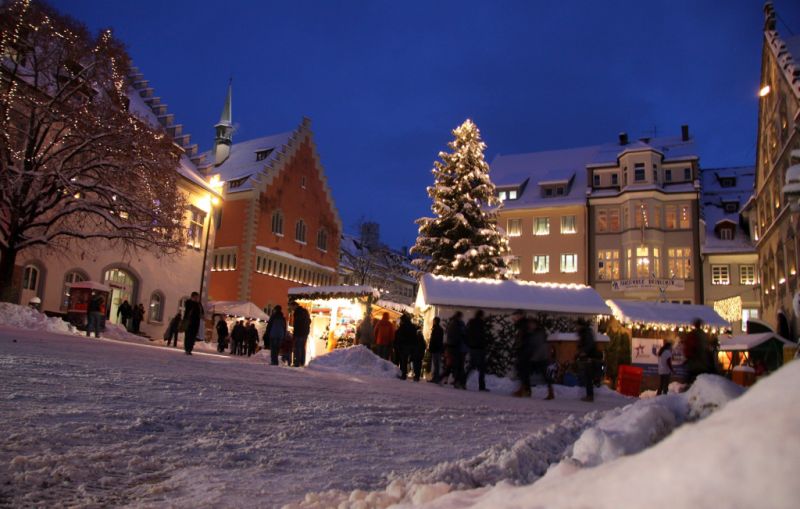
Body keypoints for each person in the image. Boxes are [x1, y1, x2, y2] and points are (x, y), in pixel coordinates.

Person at [464, 309, 488, 391]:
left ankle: (462, 381)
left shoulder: (471, 323)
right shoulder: (480, 324)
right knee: (480, 367)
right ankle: (481, 386)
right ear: (481, 315)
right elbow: (481, 336)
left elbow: (467, 334)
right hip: (479, 348)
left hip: (473, 347)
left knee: (472, 366)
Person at [511, 310, 534, 397]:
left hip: (524, 351)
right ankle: (526, 390)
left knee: (522, 370)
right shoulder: (523, 325)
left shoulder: (523, 325)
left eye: (516, 316)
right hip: (524, 350)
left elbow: (522, 338)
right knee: (522, 370)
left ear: (520, 316)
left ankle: (524, 390)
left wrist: (519, 347)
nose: (515, 318)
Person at [576, 319, 599, 402]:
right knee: (587, 376)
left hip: (589, 357)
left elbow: (589, 344)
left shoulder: (586, 333)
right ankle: (589, 395)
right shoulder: (583, 333)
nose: (576, 327)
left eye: (578, 326)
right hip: (587, 356)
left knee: (588, 376)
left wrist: (584, 352)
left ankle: (590, 396)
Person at [529, 318, 553, 400]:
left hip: (541, 358)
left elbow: (540, 346)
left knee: (545, 375)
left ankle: (551, 392)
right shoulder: (536, 333)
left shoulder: (539, 333)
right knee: (527, 373)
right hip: (539, 357)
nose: (531, 326)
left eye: (532, 324)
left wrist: (534, 357)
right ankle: (526, 390)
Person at [443, 311, 467, 389]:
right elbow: (461, 336)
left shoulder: (452, 324)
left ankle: (446, 378)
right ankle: (458, 382)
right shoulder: (458, 324)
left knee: (450, 364)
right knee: (457, 366)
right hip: (456, 348)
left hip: (452, 347)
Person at [682, 318, 709, 384]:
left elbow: (688, 346)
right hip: (703, 361)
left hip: (694, 361)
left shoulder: (692, 334)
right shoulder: (704, 334)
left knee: (692, 376)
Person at [394, 314, 418, 380]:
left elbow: (400, 337)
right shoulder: (412, 326)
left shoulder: (403, 326)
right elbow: (415, 337)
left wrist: (398, 345)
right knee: (412, 361)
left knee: (403, 360)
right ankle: (416, 376)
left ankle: (403, 374)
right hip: (412, 345)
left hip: (404, 345)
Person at [428, 317, 444, 383]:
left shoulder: (436, 329)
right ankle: (436, 378)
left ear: (435, 321)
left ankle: (436, 378)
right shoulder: (439, 329)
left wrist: (431, 347)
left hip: (436, 349)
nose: (433, 322)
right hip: (438, 348)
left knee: (436, 364)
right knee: (436, 364)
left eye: (433, 320)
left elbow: (434, 340)